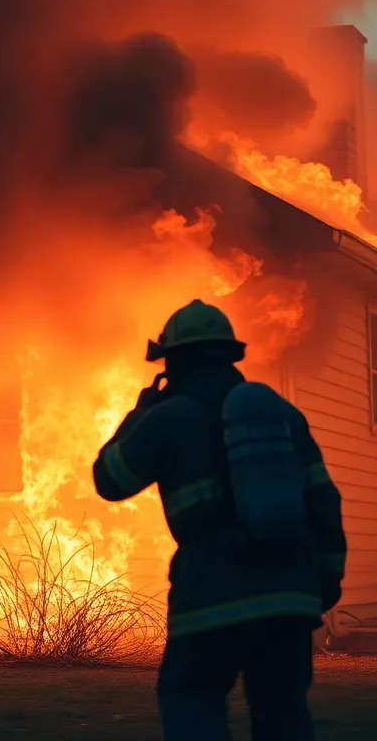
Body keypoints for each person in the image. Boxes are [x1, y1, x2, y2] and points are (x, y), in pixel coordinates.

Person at [92, 300, 347, 740]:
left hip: (210, 596)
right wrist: (323, 584)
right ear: (230, 356)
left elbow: (110, 479)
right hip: (290, 596)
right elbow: (325, 503)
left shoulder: (169, 418)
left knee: (192, 699)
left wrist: (141, 413)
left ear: (172, 361)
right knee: (283, 714)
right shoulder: (284, 417)